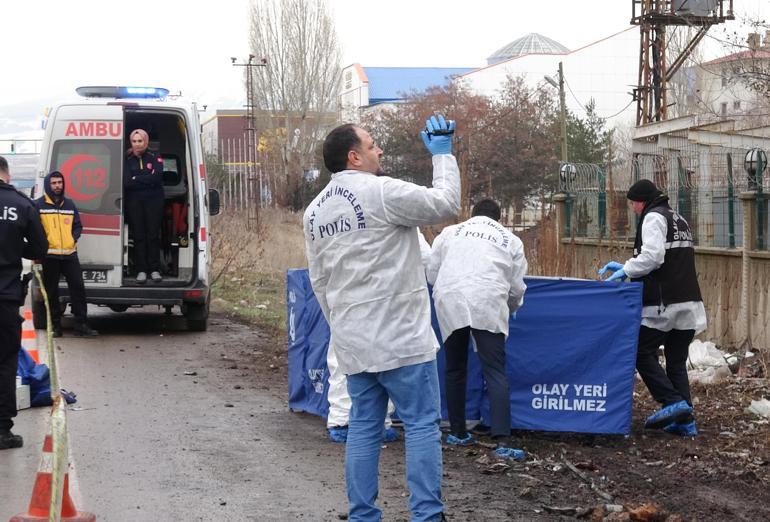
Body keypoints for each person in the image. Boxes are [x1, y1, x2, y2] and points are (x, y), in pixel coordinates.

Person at [303, 115, 460, 521]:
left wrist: (341, 328)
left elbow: (319, 281)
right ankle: (426, 514)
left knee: (364, 428)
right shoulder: (382, 192)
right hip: (402, 338)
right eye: (373, 145)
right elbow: (445, 204)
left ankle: (362, 514)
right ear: (354, 157)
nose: (380, 151)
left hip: (355, 342)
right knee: (422, 425)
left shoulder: (315, 212)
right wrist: (442, 157)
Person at [599, 179, 706, 436]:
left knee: (640, 351)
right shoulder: (677, 218)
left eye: (634, 204)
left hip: (663, 304)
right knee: (676, 362)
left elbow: (653, 257)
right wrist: (629, 264)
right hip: (689, 302)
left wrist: (627, 268)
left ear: (643, 201)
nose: (634, 209)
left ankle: (673, 402)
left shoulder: (653, 218)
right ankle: (685, 421)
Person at [427, 199, 527, 458]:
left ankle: (458, 432)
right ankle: (503, 440)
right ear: (499, 218)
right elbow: (516, 288)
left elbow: (431, 272)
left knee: (455, 367)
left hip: (451, 298)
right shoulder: (510, 240)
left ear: (471, 215)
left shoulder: (449, 233)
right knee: (494, 370)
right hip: (488, 300)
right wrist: (512, 308)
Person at [326, 231, 431, 444]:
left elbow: (321, 267)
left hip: (347, 306)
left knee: (344, 364)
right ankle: (379, 422)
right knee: (388, 368)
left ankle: (342, 420)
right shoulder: (397, 218)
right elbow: (429, 261)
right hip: (386, 307)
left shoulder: (341, 215)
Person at [0, 156, 48, 449]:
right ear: (7, 173)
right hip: (6, 297)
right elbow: (40, 248)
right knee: (5, 362)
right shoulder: (21, 204)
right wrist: (17, 245)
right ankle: (3, 431)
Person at [35, 171, 98, 337]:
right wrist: (43, 244)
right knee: (51, 292)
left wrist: (73, 239)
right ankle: (55, 326)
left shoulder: (69, 204)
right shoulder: (39, 205)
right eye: (54, 183)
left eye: (60, 183)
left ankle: (81, 325)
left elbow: (78, 225)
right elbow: (35, 229)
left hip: (70, 254)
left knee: (78, 288)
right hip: (50, 255)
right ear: (48, 185)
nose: (57, 186)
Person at [124, 128, 164, 284]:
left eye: (140, 141)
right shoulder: (127, 159)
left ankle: (154, 270)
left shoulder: (154, 156)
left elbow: (157, 177)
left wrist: (136, 178)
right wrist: (146, 178)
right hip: (135, 202)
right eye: (134, 141)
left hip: (154, 201)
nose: (137, 144)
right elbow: (127, 181)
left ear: (145, 142)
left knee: (153, 235)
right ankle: (141, 270)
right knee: (139, 236)